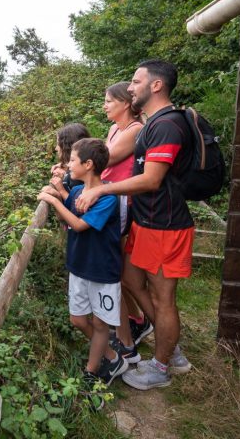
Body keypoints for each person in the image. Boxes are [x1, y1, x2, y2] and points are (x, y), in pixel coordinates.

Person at [76, 60, 194, 390]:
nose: (130, 87)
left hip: (165, 225)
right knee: (129, 278)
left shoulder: (166, 125)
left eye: (135, 80)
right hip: (147, 221)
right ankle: (168, 345)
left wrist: (102, 188)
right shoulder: (154, 123)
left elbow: (153, 179)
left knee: (163, 298)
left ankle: (163, 365)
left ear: (155, 86)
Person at [38, 138, 128, 402]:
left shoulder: (107, 198)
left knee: (100, 324)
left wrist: (53, 201)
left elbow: (78, 225)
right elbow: (69, 210)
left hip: (102, 271)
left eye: (73, 161)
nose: (68, 164)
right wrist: (57, 193)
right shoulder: (78, 193)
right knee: (78, 319)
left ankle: (91, 371)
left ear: (88, 165)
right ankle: (111, 356)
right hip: (79, 267)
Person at [100, 83, 152, 363]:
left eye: (109, 101)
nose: (105, 105)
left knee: (116, 271)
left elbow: (103, 160)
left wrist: (74, 165)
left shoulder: (134, 130)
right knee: (120, 274)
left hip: (123, 205)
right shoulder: (115, 129)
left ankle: (126, 340)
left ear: (124, 103)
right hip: (113, 201)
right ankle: (136, 320)